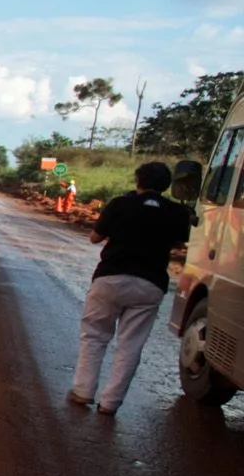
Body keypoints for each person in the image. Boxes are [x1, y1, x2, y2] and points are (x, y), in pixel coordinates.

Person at [68, 162, 189, 415]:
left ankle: (83, 391)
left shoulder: (120, 204)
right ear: (168, 186)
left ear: (138, 181)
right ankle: (110, 403)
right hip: (151, 284)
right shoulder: (177, 212)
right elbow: (179, 243)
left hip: (110, 278)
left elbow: (95, 238)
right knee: (131, 345)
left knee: (94, 335)